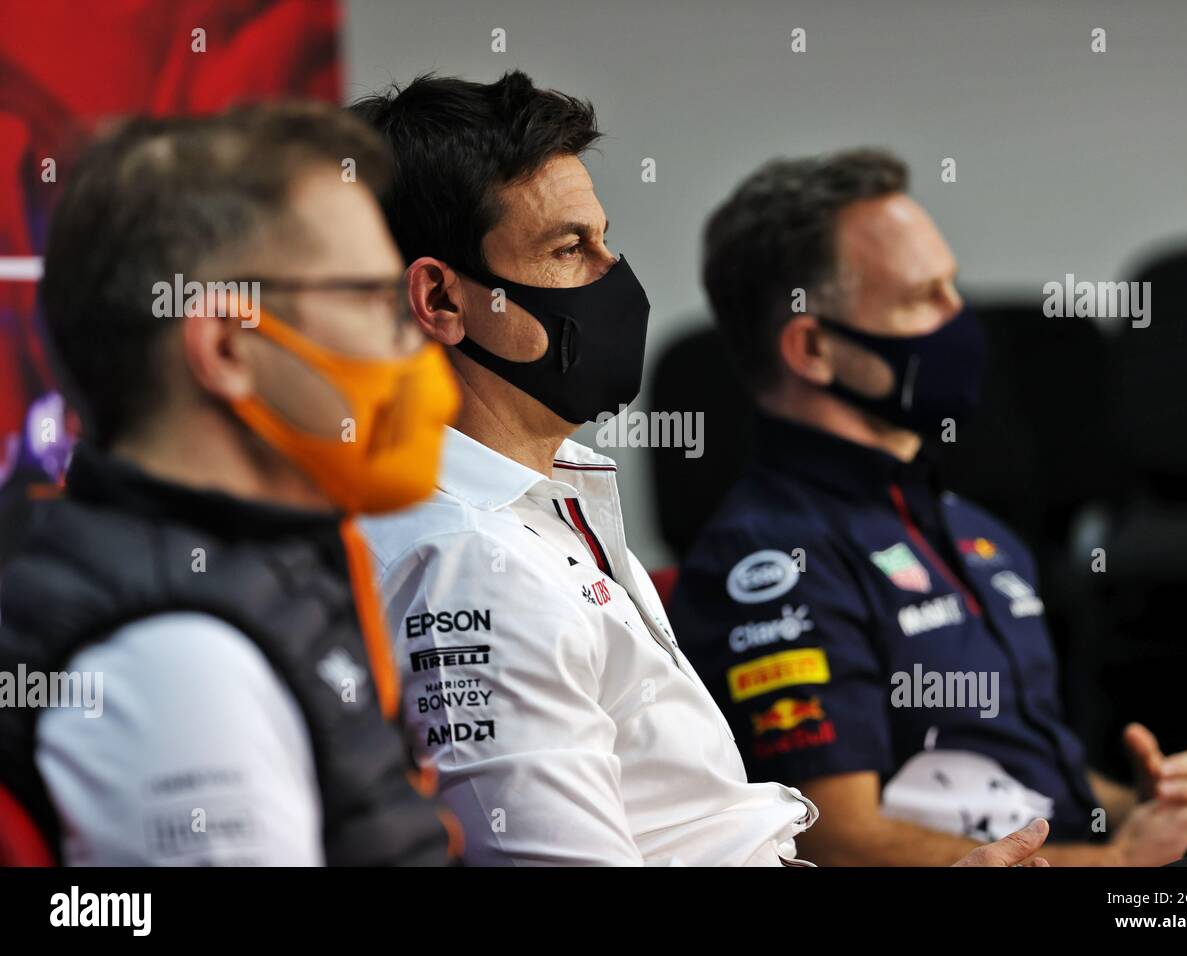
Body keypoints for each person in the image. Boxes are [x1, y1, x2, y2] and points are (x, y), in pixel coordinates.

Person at [353, 71, 1050, 866]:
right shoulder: (472, 565)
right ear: (442, 300)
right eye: (569, 247)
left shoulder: (557, 495)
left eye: (606, 239)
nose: (614, 276)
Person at [668, 149, 1187, 866]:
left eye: (953, 287)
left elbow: (1021, 778)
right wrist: (1123, 865)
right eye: (922, 297)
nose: (960, 317)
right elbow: (833, 838)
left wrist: (1160, 809)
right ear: (814, 346)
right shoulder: (769, 560)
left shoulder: (975, 530)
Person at [0, 103, 461, 865]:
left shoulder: (262, 568)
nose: (417, 344)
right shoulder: (178, 665)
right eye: (378, 303)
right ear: (226, 346)